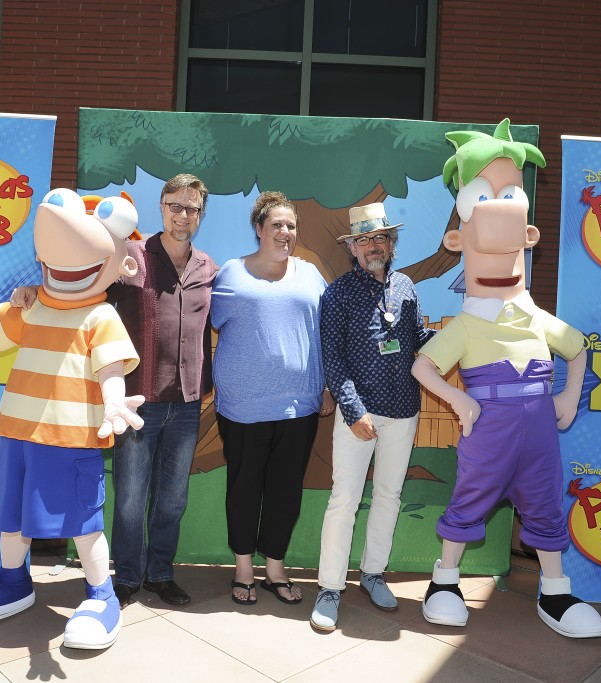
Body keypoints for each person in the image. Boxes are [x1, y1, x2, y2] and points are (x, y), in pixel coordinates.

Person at [0, 188, 143, 650]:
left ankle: (100, 595)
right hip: (16, 436)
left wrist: (115, 402)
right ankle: (14, 581)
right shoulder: (31, 307)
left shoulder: (102, 317)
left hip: (71, 441)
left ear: (125, 266)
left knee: (84, 524)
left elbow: (111, 369)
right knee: (11, 518)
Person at [411, 119, 601, 638]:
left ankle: (557, 593)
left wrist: (567, 393)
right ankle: (445, 581)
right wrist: (459, 400)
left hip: (540, 428)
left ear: (529, 236)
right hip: (490, 427)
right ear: (457, 238)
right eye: (483, 200)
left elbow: (579, 346)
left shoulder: (536, 317)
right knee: (469, 498)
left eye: (510, 199)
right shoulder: (470, 323)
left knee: (544, 502)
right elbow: (422, 365)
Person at [310, 202, 436, 632]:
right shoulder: (338, 293)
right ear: (352, 249)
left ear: (392, 243)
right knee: (344, 500)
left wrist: (462, 332)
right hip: (359, 416)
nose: (372, 246)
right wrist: (353, 410)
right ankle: (330, 588)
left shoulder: (406, 287)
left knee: (388, 495)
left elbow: (418, 338)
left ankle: (372, 573)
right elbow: (334, 360)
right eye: (362, 240)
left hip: (404, 410)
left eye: (379, 237)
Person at [210, 191, 333, 606]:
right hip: (243, 406)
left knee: (285, 491)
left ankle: (274, 570)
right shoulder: (231, 273)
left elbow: (326, 334)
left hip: (299, 405)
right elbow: (209, 323)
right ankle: (243, 569)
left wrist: (329, 385)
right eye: (277, 224)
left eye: (291, 225)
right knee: (244, 488)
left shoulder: (311, 275)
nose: (285, 232)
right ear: (259, 229)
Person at [107, 174, 220, 608]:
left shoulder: (208, 267)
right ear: (161, 206)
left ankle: (160, 573)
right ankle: (127, 577)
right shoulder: (131, 256)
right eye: (175, 205)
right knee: (132, 497)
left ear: (201, 214)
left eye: (192, 208)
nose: (183, 214)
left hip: (187, 404)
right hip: (138, 401)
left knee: (172, 498)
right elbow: (88, 295)